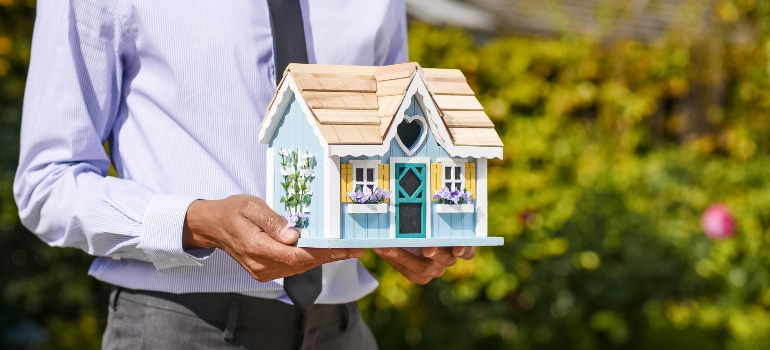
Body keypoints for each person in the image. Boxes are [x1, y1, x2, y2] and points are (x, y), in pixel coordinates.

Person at [14, 1, 476, 349]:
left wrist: (418, 227)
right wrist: (195, 223)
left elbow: (391, 143)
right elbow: (47, 180)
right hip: (180, 330)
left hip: (341, 330)